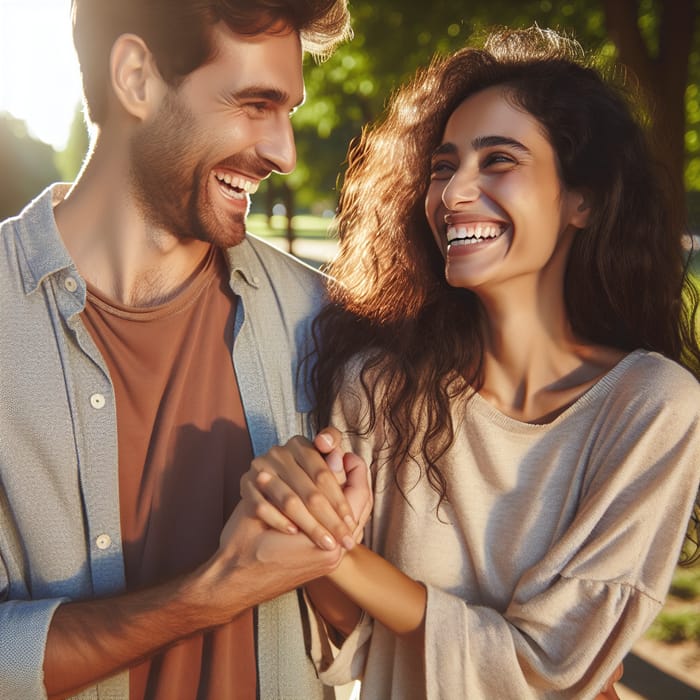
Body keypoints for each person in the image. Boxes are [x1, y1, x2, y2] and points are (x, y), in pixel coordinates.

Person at [241, 26, 700, 699]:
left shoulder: (653, 405)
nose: (454, 193)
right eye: (444, 165)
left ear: (584, 199)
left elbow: (550, 664)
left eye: (499, 160)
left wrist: (336, 550)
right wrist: (302, 519)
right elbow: (350, 647)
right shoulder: (376, 388)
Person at [0, 1, 368, 699]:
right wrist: (212, 592)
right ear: (136, 78)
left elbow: (373, 638)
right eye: (256, 103)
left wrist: (329, 548)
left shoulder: (325, 325)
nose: (284, 152)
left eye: (287, 110)